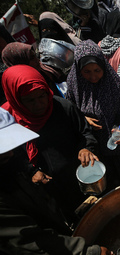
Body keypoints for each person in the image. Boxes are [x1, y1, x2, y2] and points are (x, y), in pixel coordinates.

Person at [0, 107, 113, 255]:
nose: (11, 152)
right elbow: (28, 240)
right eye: (3, 151)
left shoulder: (11, 163)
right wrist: (89, 252)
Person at [1, 65, 98, 223]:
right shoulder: (8, 124)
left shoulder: (63, 108)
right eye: (30, 100)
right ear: (16, 100)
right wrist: (31, 171)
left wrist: (86, 148)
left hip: (75, 178)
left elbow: (85, 132)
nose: (39, 104)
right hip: (45, 189)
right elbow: (11, 157)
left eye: (41, 96)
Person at [66, 39, 120, 186]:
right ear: (78, 69)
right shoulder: (74, 83)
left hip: (111, 140)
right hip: (89, 141)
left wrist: (119, 128)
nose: (93, 76)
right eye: (87, 72)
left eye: (97, 71)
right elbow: (71, 109)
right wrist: (83, 119)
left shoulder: (114, 83)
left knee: (119, 173)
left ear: (103, 67)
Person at [2, 42, 68, 98]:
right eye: (32, 58)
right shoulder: (24, 88)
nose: (37, 60)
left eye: (35, 55)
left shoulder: (45, 71)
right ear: (21, 62)